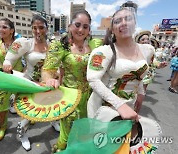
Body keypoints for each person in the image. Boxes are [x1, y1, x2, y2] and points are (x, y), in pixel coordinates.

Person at [87, 2, 154, 133]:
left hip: (130, 106)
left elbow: (139, 74)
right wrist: (120, 105)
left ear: (135, 24)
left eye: (128, 19)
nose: (124, 23)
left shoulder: (148, 50)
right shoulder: (103, 52)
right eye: (118, 21)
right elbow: (93, 80)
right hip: (104, 110)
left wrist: (141, 93)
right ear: (112, 28)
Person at [42, 10, 102, 152]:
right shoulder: (60, 46)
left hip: (91, 98)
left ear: (89, 29)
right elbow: (47, 69)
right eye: (77, 25)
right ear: (70, 26)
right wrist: (50, 79)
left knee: (86, 133)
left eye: (85, 26)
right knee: (68, 134)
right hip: (70, 98)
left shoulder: (96, 45)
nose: (81, 30)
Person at [3, 15, 59, 151]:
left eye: (41, 28)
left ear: (47, 28)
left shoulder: (53, 45)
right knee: (29, 113)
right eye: (34, 28)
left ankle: (53, 121)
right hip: (30, 85)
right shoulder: (26, 43)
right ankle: (22, 133)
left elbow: (58, 64)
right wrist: (7, 63)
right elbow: (9, 57)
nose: (38, 31)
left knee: (50, 106)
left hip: (47, 85)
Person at [0, 18, 23, 140]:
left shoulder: (19, 44)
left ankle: (27, 123)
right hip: (5, 80)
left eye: (4, 27)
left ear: (12, 30)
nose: (0, 30)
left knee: (25, 103)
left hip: (19, 77)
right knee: (1, 104)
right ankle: (2, 127)